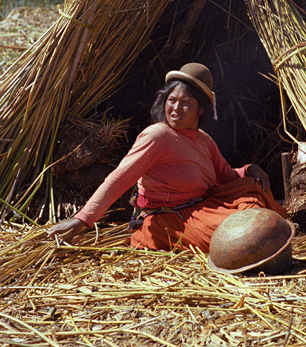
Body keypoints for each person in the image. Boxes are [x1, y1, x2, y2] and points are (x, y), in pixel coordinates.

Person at [48, 63, 287, 252]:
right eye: (171, 101)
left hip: (203, 206)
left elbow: (225, 177)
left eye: (186, 103)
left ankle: (267, 234)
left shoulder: (202, 139)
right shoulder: (158, 136)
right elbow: (119, 178)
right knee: (240, 232)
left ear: (200, 109)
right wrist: (83, 219)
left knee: (252, 196)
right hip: (169, 220)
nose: (175, 108)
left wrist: (248, 170)